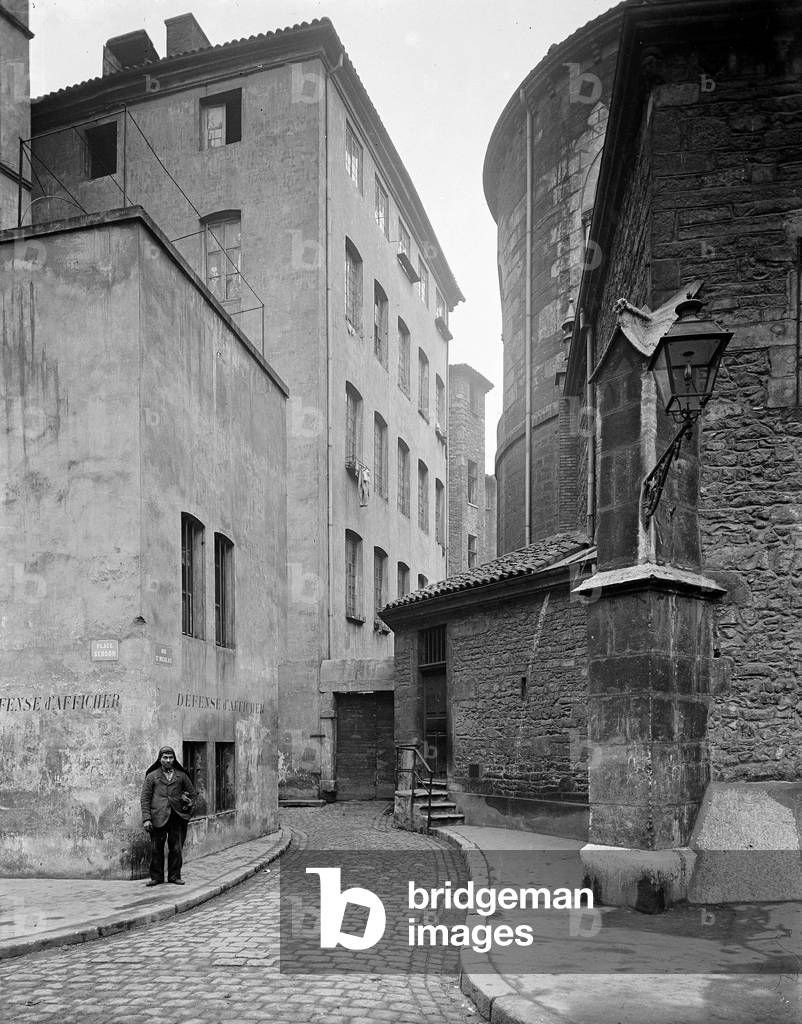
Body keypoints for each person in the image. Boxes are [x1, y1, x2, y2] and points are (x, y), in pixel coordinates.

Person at [140, 745, 196, 886]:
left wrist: (187, 806)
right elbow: (145, 798)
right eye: (165, 757)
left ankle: (174, 876)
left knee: (176, 848)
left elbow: (193, 794)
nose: (168, 760)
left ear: (174, 759)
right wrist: (146, 818)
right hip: (157, 817)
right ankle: (156, 877)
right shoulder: (152, 776)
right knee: (156, 848)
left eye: (171, 757)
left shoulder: (181, 776)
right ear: (160, 759)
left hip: (177, 817)